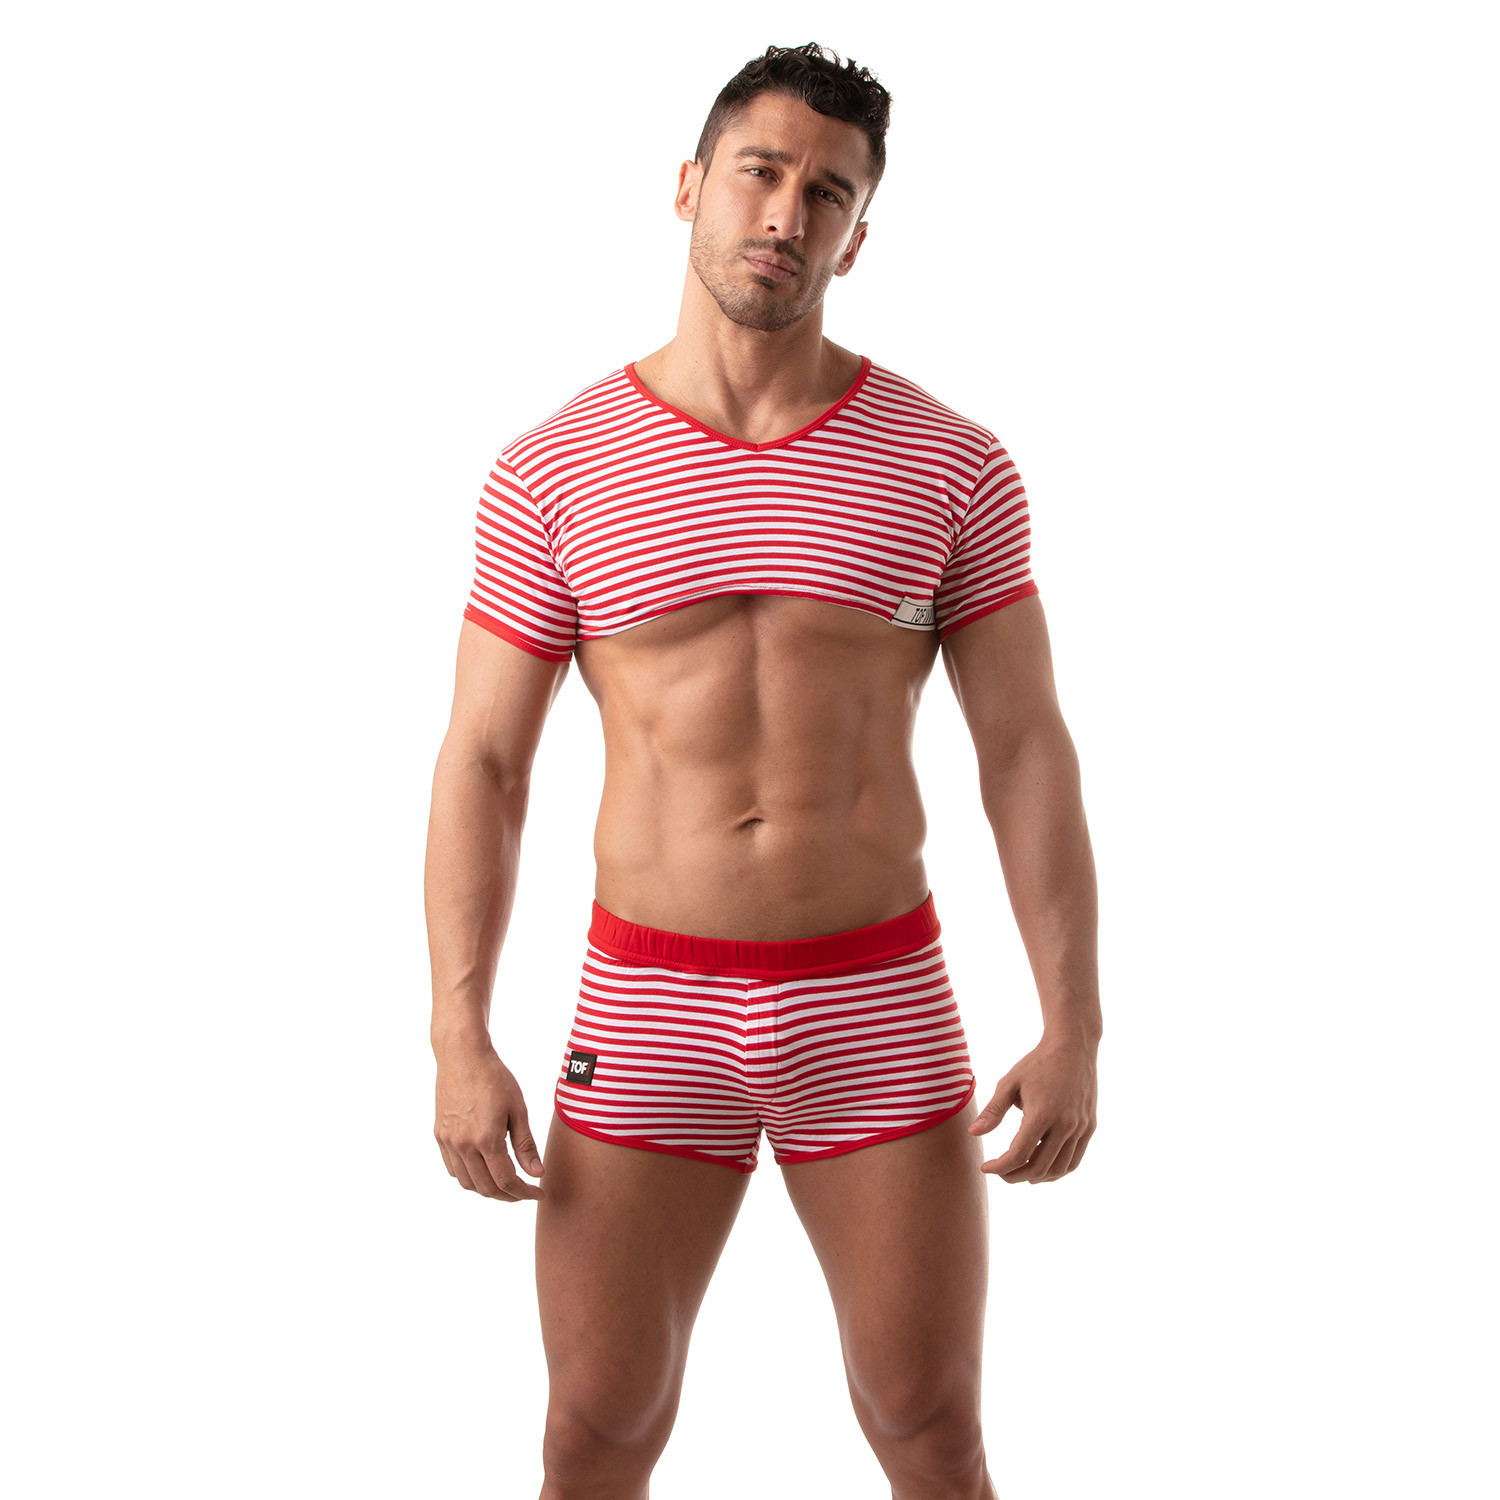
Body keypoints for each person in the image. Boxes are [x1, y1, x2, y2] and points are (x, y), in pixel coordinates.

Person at [424, 40, 1101, 1500]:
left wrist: (1077, 1023)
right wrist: (457, 1034)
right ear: (689, 187)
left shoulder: (952, 464)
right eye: (762, 172)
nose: (789, 213)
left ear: (860, 236)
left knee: (929, 1424)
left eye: (830, 192)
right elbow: (483, 762)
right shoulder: (554, 469)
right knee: (595, 1430)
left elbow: (1025, 748)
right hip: (648, 1003)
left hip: (876, 998)